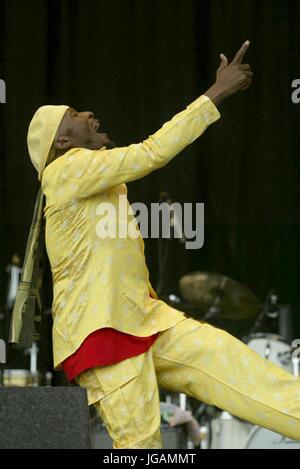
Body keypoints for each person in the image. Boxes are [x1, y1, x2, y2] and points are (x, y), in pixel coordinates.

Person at [24, 41, 300, 448]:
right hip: (103, 332)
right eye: (75, 115)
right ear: (62, 143)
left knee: (242, 370)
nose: (88, 114)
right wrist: (216, 92)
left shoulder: (94, 180)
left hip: (143, 320)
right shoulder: (64, 172)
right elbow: (151, 152)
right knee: (141, 448)